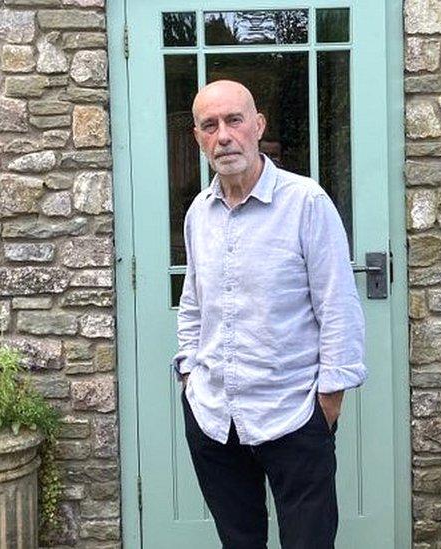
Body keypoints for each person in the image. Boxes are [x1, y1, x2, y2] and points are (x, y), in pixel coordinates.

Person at [172, 79, 366, 549]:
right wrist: (188, 370)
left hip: (294, 413)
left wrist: (328, 403)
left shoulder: (307, 204)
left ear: (257, 126)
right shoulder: (199, 213)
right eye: (209, 125)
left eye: (234, 120)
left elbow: (338, 306)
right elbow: (194, 303)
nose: (223, 136)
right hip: (215, 416)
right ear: (198, 138)